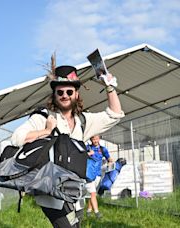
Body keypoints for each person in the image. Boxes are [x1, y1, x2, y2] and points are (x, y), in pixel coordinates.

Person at [11, 62, 124, 227]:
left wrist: (109, 87)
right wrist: (46, 131)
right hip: (51, 196)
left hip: (75, 195)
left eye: (69, 91)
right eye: (60, 92)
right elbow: (17, 138)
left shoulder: (83, 121)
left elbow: (114, 115)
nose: (65, 95)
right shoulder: (43, 117)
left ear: (76, 94)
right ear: (54, 95)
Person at [85, 135, 113, 219]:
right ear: (91, 140)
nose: (95, 141)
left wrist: (110, 162)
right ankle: (97, 213)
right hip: (89, 174)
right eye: (93, 139)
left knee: (93, 194)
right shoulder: (87, 147)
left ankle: (89, 211)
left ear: (99, 139)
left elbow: (109, 158)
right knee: (93, 193)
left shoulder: (103, 149)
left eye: (97, 139)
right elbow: (79, 156)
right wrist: (89, 153)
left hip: (98, 174)